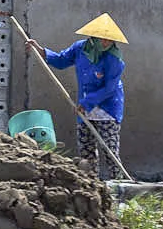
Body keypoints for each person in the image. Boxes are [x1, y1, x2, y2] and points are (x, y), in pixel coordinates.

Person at [25, 13, 127, 178]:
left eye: (110, 40)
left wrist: (86, 103)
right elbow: (61, 60)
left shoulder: (114, 59)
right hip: (84, 107)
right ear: (93, 37)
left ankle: (119, 186)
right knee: (86, 151)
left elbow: (109, 88)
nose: (107, 43)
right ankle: (91, 185)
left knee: (110, 151)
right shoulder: (80, 48)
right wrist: (41, 51)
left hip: (107, 108)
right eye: (103, 38)